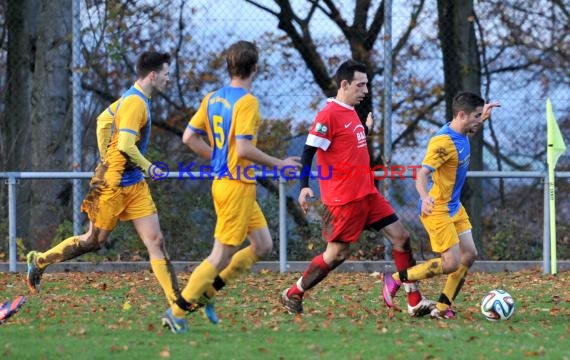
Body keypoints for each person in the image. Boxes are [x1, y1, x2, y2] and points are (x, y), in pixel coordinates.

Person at [160, 40, 301, 334]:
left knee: (262, 245)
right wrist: (280, 164)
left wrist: (218, 157)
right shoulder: (247, 102)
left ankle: (208, 294)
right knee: (219, 256)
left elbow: (189, 137)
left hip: (232, 184)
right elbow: (246, 149)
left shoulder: (212, 98)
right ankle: (177, 310)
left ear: (229, 67)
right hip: (235, 187)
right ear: (255, 68)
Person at [26, 52, 181, 310]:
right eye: (166, 74)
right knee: (93, 241)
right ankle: (40, 261)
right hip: (112, 185)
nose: (168, 79)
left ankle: (177, 303)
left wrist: (105, 155)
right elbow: (125, 145)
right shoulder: (135, 104)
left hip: (133, 183)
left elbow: (102, 121)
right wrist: (148, 166)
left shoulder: (132, 99)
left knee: (155, 240)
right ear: (153, 75)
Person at [280, 60, 433, 317]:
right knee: (336, 255)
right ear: (344, 84)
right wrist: (304, 187)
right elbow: (308, 152)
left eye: (367, 84)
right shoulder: (328, 114)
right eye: (360, 85)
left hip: (367, 195)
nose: (366, 90)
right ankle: (293, 292)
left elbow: (347, 144)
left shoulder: (351, 111)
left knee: (401, 237)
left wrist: (366, 130)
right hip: (343, 200)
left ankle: (414, 301)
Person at [383, 91, 500, 319]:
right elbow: (421, 173)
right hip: (437, 209)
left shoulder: (462, 130)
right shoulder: (442, 142)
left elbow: (470, 131)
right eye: (476, 116)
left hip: (454, 207)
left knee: (469, 254)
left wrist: (482, 117)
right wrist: (425, 196)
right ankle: (396, 278)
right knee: (450, 263)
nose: (479, 120)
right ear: (461, 115)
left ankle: (443, 308)